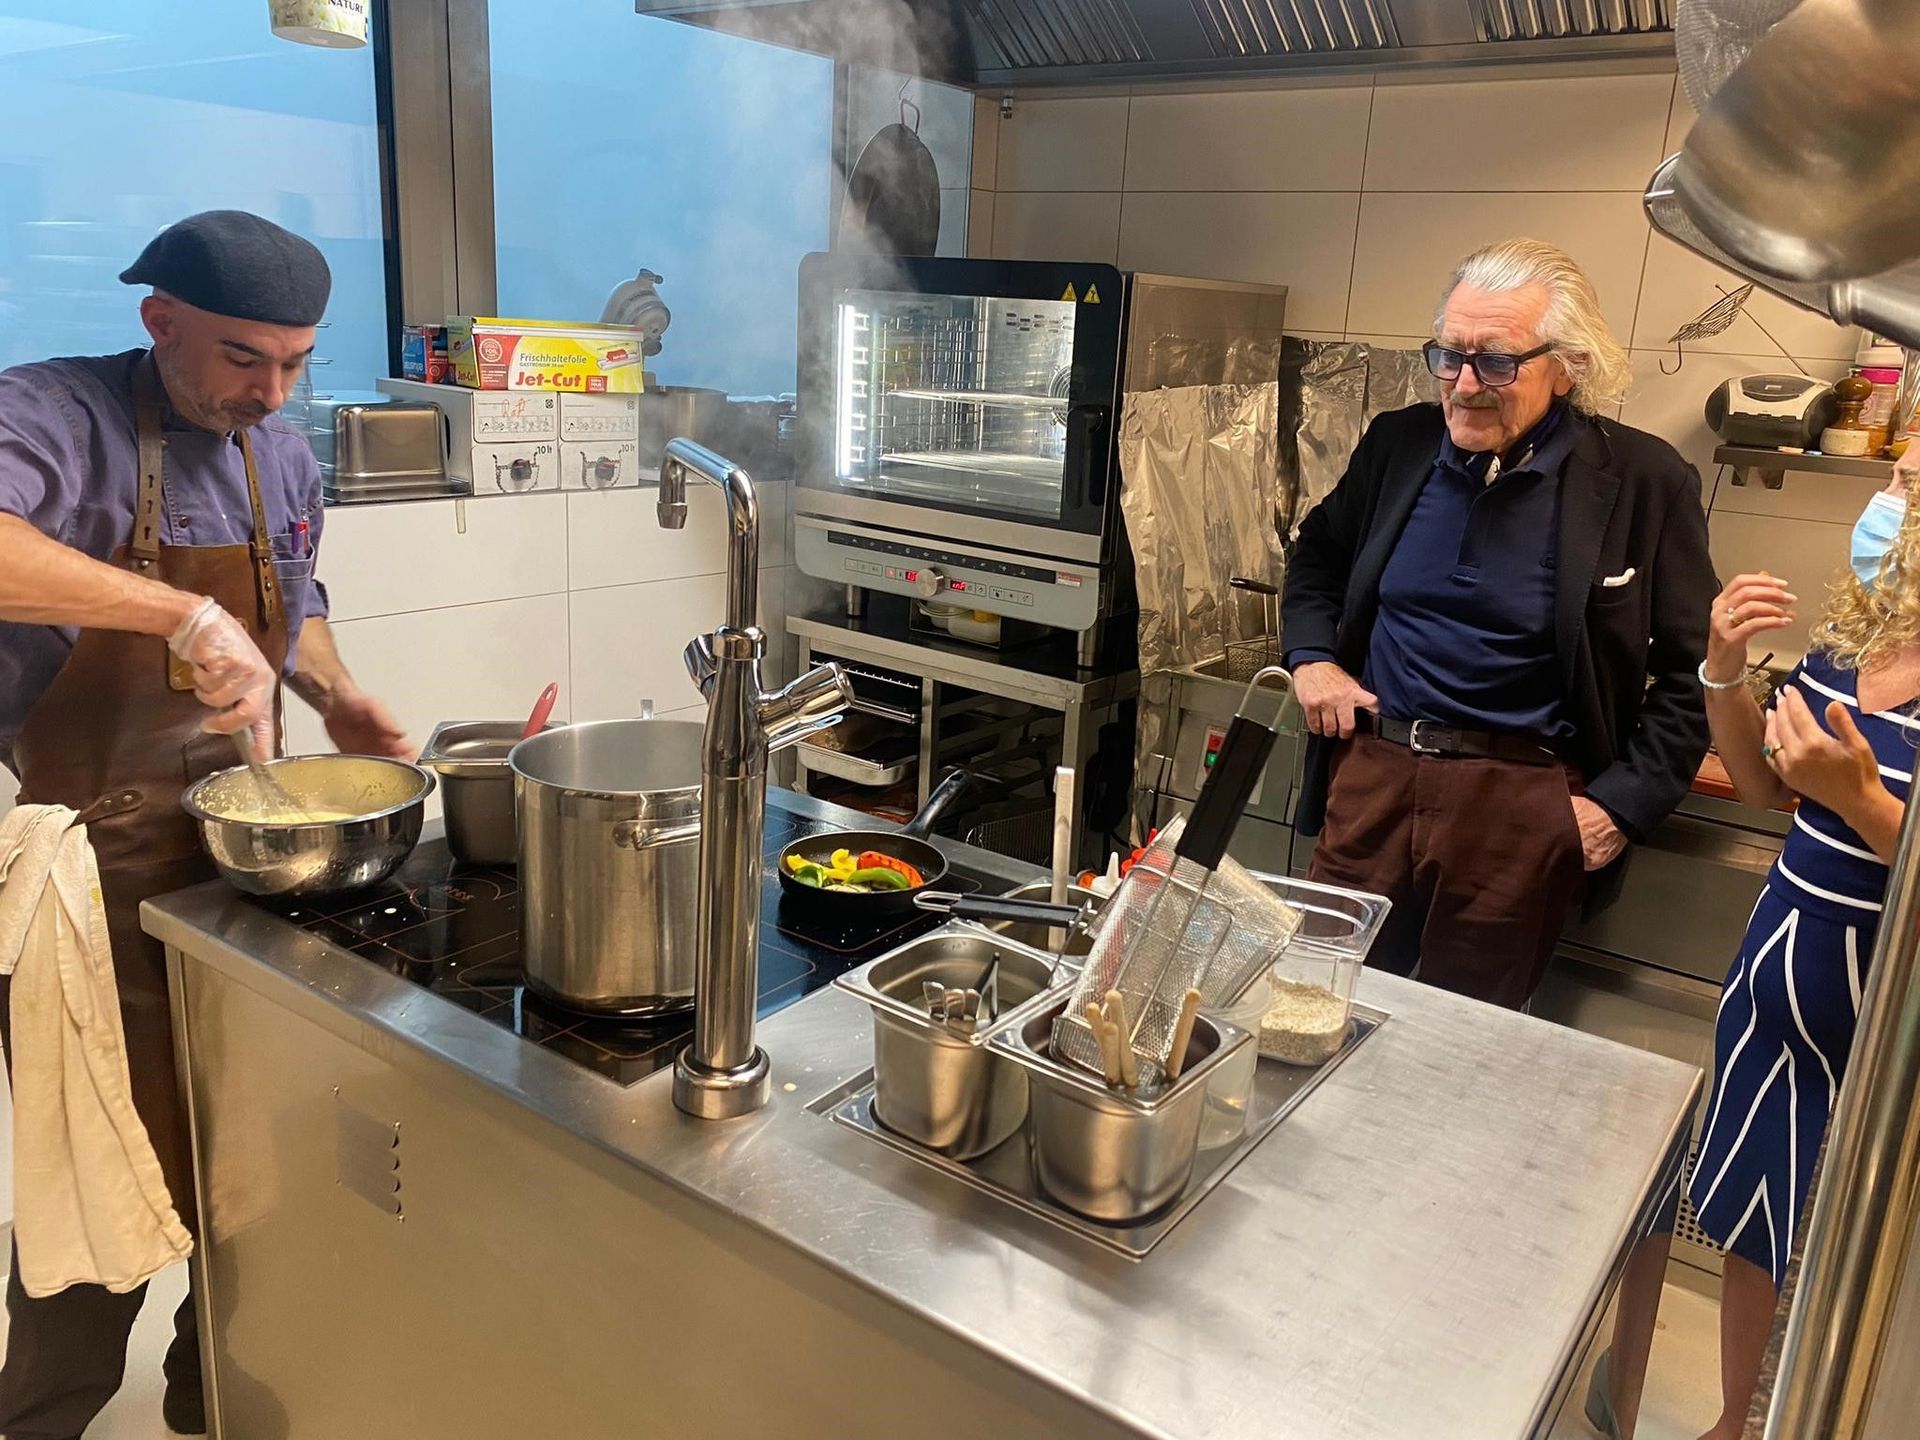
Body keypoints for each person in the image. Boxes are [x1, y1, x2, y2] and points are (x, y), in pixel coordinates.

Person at [0, 210, 412, 1440]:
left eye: (296, 363)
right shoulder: (51, 414)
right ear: (160, 321)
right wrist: (175, 617)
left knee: (255, 1142)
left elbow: (302, 593)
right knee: (111, 1154)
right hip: (93, 858)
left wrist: (335, 693)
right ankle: (44, 1415)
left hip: (248, 839)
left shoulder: (275, 450)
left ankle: (211, 1395)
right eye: (244, 357)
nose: (273, 390)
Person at [1280, 237, 1718, 1008]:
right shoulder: (1400, 443)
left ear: (1569, 364)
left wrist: (1622, 805)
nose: (1465, 384)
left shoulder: (1644, 481)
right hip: (1376, 776)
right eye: (1448, 356)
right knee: (1313, 1005)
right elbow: (1318, 555)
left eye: (1497, 362)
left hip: (1519, 803)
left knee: (1464, 1038)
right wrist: (1311, 656)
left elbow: (1697, 674)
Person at [1587, 442, 1920, 1440]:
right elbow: (1768, 787)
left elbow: (1851, 806)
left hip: (1884, 1038)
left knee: (1848, 1263)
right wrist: (1723, 672)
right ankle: (1739, 1422)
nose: (1886, 501)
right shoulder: (1861, 634)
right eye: (1893, 479)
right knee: (1753, 1230)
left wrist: (1862, 799)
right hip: (1775, 990)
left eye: (1910, 486)